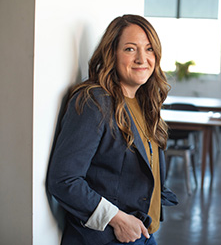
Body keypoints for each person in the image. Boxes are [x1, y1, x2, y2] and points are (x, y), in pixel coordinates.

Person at [47, 14, 178, 245]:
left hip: (143, 232)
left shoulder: (145, 102)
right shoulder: (94, 101)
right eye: (130, 49)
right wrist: (117, 219)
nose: (142, 58)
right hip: (111, 236)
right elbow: (64, 179)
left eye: (149, 49)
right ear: (112, 54)